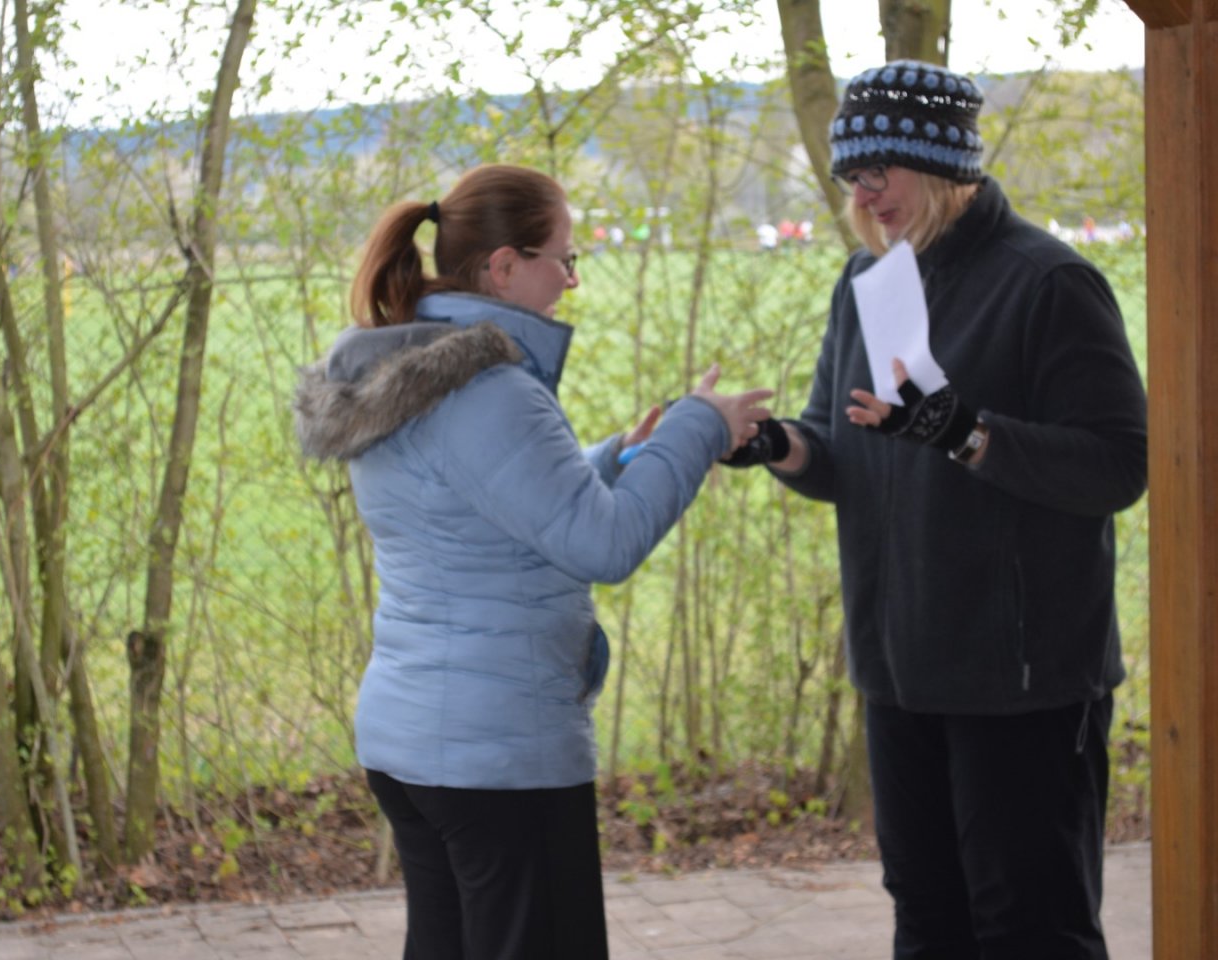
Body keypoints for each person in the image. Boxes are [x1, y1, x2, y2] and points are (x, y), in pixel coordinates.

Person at [293, 163, 773, 960]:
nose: (572, 280)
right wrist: (699, 426)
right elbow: (604, 543)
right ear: (505, 266)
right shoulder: (491, 392)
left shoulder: (403, 375)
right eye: (564, 258)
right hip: (497, 753)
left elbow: (483, 504)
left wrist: (616, 458)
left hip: (415, 744)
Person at [740, 61, 1148, 958]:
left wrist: (968, 433)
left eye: (877, 170)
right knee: (927, 919)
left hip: (1024, 684)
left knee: (1031, 928)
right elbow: (840, 450)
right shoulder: (869, 279)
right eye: (850, 176)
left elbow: (1118, 466)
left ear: (939, 163)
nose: (861, 194)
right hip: (900, 676)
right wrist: (774, 445)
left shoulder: (1049, 282)